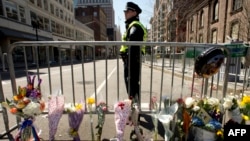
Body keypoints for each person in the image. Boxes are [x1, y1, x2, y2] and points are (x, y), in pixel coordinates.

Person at [120, 2, 147, 102]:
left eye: (128, 11)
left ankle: (134, 109)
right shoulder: (131, 26)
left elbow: (133, 48)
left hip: (132, 61)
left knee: (132, 85)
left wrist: (129, 62)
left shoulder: (135, 27)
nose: (125, 13)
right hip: (131, 60)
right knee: (132, 84)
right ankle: (134, 106)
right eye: (125, 11)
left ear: (135, 13)